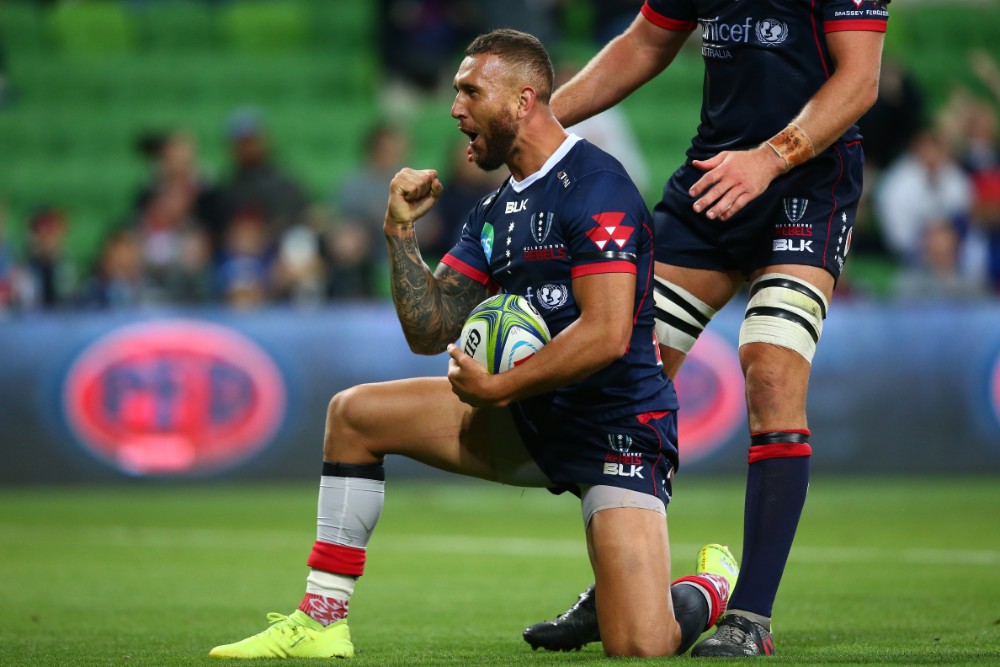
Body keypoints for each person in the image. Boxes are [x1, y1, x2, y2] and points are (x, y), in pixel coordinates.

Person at [208, 29, 738, 660]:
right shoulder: (492, 212)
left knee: (640, 647)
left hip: (614, 428)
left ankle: (709, 587)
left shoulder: (596, 184)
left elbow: (606, 333)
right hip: (527, 417)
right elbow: (429, 330)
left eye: (470, 91)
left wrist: (500, 386)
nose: (455, 108)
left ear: (523, 100)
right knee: (354, 415)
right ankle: (322, 620)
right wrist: (399, 233)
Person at [521, 1, 891, 657]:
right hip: (713, 180)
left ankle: (749, 614)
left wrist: (771, 158)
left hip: (807, 183)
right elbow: (643, 45)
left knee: (772, 371)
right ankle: (620, 591)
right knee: (615, 389)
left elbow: (859, 80)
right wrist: (537, 124)